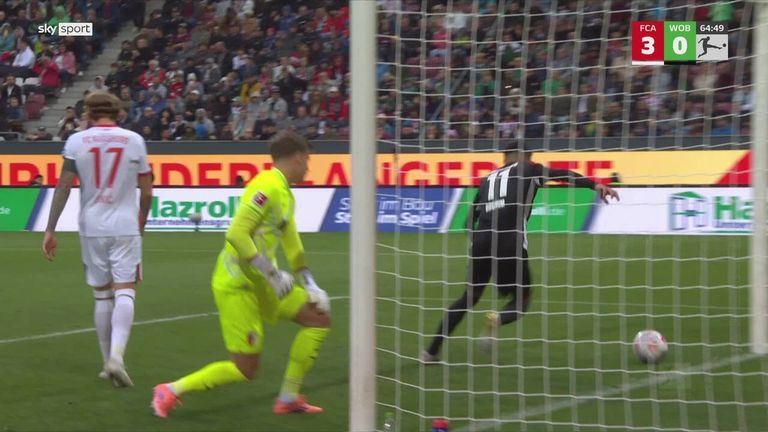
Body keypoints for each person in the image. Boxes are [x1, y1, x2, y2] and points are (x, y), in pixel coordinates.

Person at [151, 131, 331, 417]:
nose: (309, 167)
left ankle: (288, 398)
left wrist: (309, 282)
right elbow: (236, 233)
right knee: (245, 369)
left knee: (318, 318)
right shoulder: (267, 184)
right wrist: (271, 273)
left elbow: (292, 243)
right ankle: (170, 390)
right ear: (298, 157)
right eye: (308, 160)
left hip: (266, 284)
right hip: (239, 285)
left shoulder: (285, 193)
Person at [421, 142, 620, 362]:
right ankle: (497, 319)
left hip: (480, 243)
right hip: (509, 242)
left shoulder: (487, 179)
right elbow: (563, 175)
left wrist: (478, 243)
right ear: (521, 155)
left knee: (468, 298)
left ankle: (431, 351)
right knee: (522, 300)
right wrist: (595, 185)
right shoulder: (529, 169)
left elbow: (468, 221)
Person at [42, 91, 154, 387]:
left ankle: (107, 363)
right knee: (125, 290)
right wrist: (141, 223)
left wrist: (50, 229)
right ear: (117, 113)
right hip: (125, 224)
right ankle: (117, 356)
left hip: (91, 225)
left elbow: (64, 185)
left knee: (102, 294)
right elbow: (147, 192)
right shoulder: (134, 140)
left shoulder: (76, 141)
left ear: (89, 114)